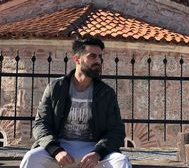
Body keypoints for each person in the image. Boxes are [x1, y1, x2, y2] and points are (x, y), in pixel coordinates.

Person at [20, 37, 131, 168]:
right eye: (92, 56)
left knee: (121, 161)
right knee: (31, 158)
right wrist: (56, 150)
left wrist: (97, 153)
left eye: (100, 57)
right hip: (60, 146)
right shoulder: (56, 87)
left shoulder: (106, 92)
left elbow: (116, 131)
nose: (98, 61)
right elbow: (40, 124)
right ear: (77, 59)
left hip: (94, 148)